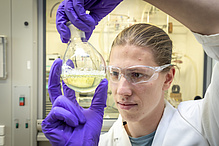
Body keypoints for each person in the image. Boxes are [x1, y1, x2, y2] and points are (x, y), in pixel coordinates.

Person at [42, 0, 219, 145]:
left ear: (168, 78)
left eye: (137, 75)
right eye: (115, 74)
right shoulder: (100, 142)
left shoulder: (204, 123)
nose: (121, 91)